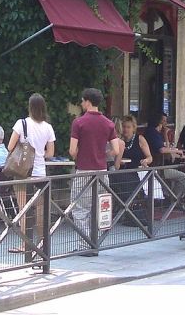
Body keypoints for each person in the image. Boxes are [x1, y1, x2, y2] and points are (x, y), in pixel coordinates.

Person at [69, 88, 122, 250]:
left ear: (87, 101)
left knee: (79, 208)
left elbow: (72, 150)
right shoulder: (108, 123)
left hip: (84, 170)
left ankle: (84, 244)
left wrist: (79, 155)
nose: (81, 103)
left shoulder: (79, 122)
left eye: (82, 101)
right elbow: (116, 150)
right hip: (102, 171)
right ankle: (94, 242)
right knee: (98, 207)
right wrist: (103, 154)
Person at [7, 94, 56, 178]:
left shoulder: (21, 123)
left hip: (21, 170)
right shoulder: (48, 127)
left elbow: (10, 147)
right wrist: (39, 153)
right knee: (38, 191)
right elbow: (50, 153)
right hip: (40, 171)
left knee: (20, 190)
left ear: (30, 107)